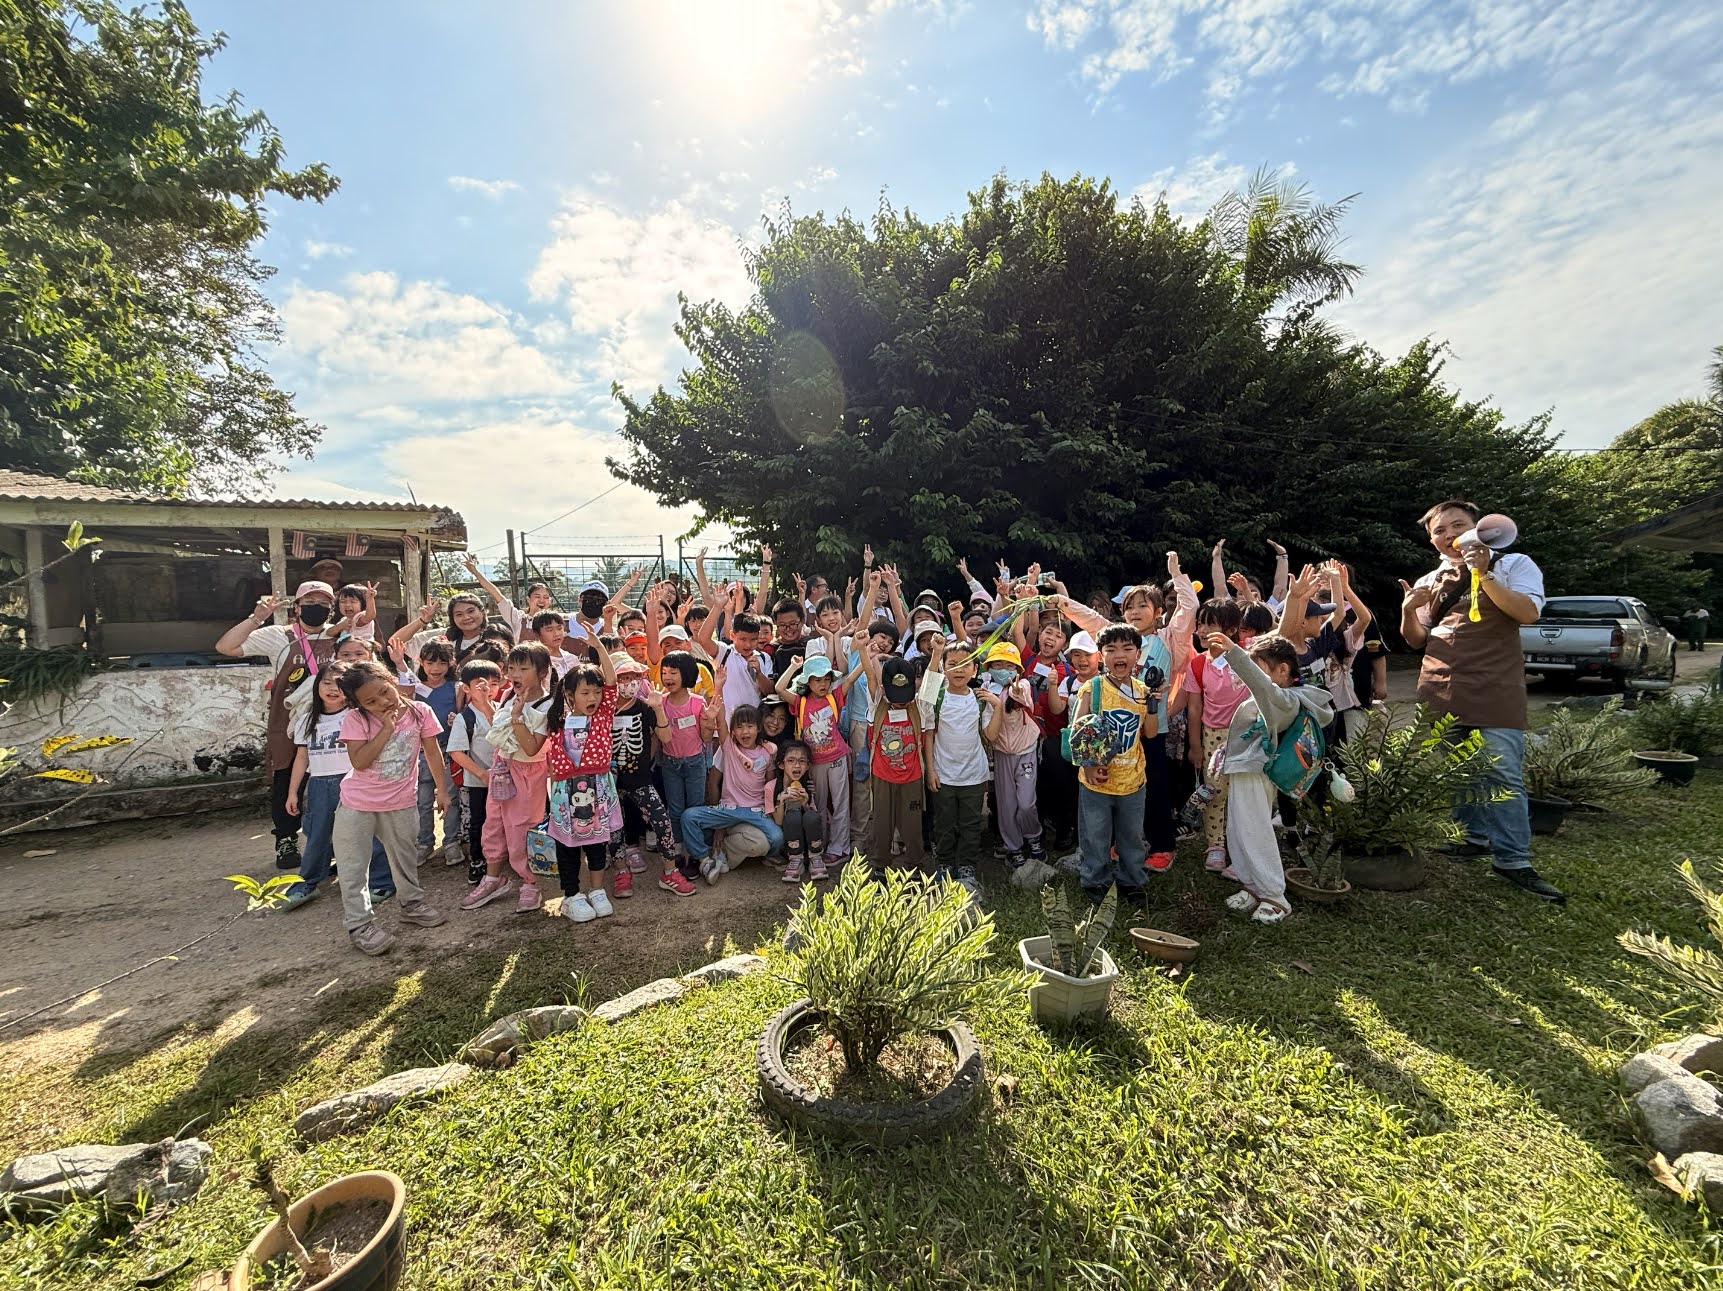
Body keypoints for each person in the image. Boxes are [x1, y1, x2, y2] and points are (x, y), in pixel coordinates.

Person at [1400, 498, 1565, 903]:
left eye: (1458, 525)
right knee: (1458, 771)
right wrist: (1408, 610)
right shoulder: (1431, 578)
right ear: (1432, 540)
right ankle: (1472, 838)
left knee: (1502, 774)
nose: (1449, 535)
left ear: (1478, 527)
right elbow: (1416, 639)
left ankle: (1512, 859)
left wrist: (1484, 573)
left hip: (1496, 683)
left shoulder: (1514, 564)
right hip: (1439, 683)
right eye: (1439, 530)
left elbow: (1527, 613)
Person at [215, 581, 344, 871]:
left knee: (335, 779)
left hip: (332, 719)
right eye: (309, 602)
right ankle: (286, 839)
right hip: (288, 722)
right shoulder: (278, 636)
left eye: (323, 603)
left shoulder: (339, 635)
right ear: (297, 607)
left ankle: (335, 843)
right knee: (286, 778)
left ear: (331, 609)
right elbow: (225, 647)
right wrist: (257, 617)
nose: (316, 607)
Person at [1207, 632, 1334, 923]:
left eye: (1259, 667)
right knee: (1238, 830)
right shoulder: (1271, 698)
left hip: (1257, 771)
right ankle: (1252, 886)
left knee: (1255, 830)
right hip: (1244, 770)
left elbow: (1263, 686)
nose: (1252, 675)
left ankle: (1275, 896)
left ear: (1283, 670)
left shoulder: (1285, 699)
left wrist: (1235, 653)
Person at [332, 660, 452, 955]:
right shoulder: (355, 720)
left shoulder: (420, 711)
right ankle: (359, 924)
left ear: (391, 679)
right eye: (370, 702)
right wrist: (386, 727)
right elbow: (360, 762)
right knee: (353, 866)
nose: (383, 702)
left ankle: (412, 904)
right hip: (357, 805)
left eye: (385, 691)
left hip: (401, 802)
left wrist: (442, 789)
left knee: (405, 858)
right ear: (359, 704)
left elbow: (432, 752)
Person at [460, 643, 555, 912]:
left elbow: (531, 748)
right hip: (502, 767)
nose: (514, 674)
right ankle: (493, 878)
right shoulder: (507, 695)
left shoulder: (549, 705)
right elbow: (498, 729)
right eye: (511, 668)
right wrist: (487, 706)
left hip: (528, 771)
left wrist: (516, 717)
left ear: (542, 672)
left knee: (523, 827)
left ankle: (531, 882)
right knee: (494, 823)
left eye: (523, 668)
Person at [1069, 625, 1153, 906]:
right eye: (1111, 649)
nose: (1120, 655)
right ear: (1101, 655)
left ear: (1137, 654)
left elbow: (1151, 732)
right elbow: (1077, 730)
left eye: (1127, 648)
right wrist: (1088, 766)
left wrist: (1153, 705)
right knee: (1095, 834)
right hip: (1097, 781)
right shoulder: (1092, 688)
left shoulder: (1142, 691)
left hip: (1133, 779)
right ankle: (1095, 879)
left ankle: (1132, 879)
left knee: (1132, 835)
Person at [542, 647, 623, 923]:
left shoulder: (602, 717)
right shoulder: (556, 722)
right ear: (570, 694)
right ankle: (571, 895)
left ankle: (597, 890)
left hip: (598, 790)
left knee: (597, 842)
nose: (593, 698)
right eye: (585, 692)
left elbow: (611, 682)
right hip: (565, 794)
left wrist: (598, 646)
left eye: (596, 692)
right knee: (567, 846)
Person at [918, 636, 1004, 893]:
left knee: (971, 823)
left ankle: (967, 866)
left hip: (973, 774)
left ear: (975, 669)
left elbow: (990, 736)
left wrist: (998, 707)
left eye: (965, 664)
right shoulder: (938, 698)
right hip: (943, 774)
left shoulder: (979, 699)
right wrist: (931, 770)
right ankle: (945, 864)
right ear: (944, 668)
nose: (959, 669)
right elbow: (929, 734)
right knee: (944, 823)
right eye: (952, 664)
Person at [608, 654, 696, 897]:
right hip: (610, 781)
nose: (629, 682)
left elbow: (665, 737)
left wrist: (657, 708)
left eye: (633, 677)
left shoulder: (644, 707)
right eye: (623, 678)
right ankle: (621, 872)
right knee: (614, 828)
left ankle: (669, 872)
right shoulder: (604, 710)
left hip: (640, 779)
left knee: (661, 820)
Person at [775, 642, 866, 871]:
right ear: (808, 682)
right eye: (817, 680)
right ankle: (820, 847)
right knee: (819, 805)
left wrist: (866, 653)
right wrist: (794, 666)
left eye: (826, 679)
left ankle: (840, 848)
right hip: (813, 763)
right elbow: (779, 688)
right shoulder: (801, 702)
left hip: (837, 758)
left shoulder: (835, 697)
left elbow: (851, 678)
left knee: (841, 804)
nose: (823, 684)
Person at [681, 689, 785, 879]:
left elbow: (770, 784)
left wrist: (770, 811)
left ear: (758, 728)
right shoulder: (729, 747)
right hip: (727, 809)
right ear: (733, 732)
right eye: (739, 727)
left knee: (777, 838)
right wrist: (719, 685)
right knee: (689, 816)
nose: (745, 731)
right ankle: (704, 859)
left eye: (750, 726)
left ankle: (725, 852)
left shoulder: (767, 752)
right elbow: (721, 721)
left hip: (756, 811)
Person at [1181, 599, 1252, 874]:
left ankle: (1244, 845)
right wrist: (1195, 746)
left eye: (1210, 624)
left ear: (1231, 630)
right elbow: (1194, 707)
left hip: (1247, 734)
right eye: (1200, 623)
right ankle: (1215, 845)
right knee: (1214, 791)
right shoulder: (1198, 664)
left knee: (1245, 792)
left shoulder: (1247, 657)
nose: (1202, 630)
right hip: (1213, 735)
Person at [858, 649, 928, 875]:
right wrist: (864, 651)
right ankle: (880, 866)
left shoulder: (919, 707)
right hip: (882, 776)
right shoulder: (876, 705)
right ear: (884, 690)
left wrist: (937, 653)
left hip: (912, 778)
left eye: (905, 696)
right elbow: (870, 676)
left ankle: (914, 867)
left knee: (912, 825)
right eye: (895, 697)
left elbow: (932, 683)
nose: (900, 703)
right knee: (881, 823)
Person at [981, 641, 1046, 869]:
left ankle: (1033, 836)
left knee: (1026, 803)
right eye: (997, 664)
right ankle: (1013, 847)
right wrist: (994, 704)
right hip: (1002, 754)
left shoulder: (1023, 684)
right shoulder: (986, 692)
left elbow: (1022, 695)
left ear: (1018, 669)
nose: (1003, 669)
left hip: (1026, 751)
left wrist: (1016, 692)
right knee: (1007, 804)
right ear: (989, 668)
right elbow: (989, 732)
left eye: (1009, 665)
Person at [655, 651, 718, 882]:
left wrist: (710, 721)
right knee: (674, 809)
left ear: (688, 674)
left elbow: (705, 737)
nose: (668, 677)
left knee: (695, 808)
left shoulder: (697, 702)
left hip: (694, 763)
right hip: (669, 763)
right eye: (664, 672)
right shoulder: (660, 702)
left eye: (673, 672)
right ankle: (678, 852)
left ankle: (695, 854)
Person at [445, 659, 504, 886]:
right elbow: (456, 752)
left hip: (505, 779)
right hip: (479, 782)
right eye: (481, 684)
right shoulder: (465, 717)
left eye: (493, 683)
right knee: (479, 822)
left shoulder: (503, 710)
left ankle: (503, 857)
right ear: (466, 688)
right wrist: (481, 774)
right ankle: (478, 860)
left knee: (504, 819)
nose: (488, 689)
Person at [409, 639, 463, 865]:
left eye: (442, 663)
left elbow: (461, 714)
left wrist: (456, 719)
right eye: (430, 663)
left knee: (450, 797)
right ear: (421, 662)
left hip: (448, 749)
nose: (436, 668)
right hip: (421, 751)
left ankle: (451, 841)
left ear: (451, 663)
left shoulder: (456, 688)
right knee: (422, 800)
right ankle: (424, 842)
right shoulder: (414, 688)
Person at [463, 553, 555, 643]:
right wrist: (475, 572)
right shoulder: (518, 618)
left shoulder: (557, 621)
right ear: (528, 599)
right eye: (537, 596)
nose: (542, 600)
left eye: (546, 597)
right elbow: (496, 593)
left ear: (550, 600)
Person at [769, 739, 826, 881]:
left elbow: (812, 819)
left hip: (810, 839)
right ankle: (795, 859)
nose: (797, 765)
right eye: (791, 761)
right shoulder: (771, 787)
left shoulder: (808, 785)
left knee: (811, 816)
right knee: (793, 815)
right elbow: (778, 822)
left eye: (802, 761)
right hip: (788, 840)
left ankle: (815, 856)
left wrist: (805, 803)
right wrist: (781, 799)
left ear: (807, 766)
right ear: (781, 764)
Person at [392, 592, 490, 667]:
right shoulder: (442, 637)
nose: (466, 617)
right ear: (452, 618)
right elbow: (395, 641)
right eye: (459, 614)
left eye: (471, 611)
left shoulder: (493, 639)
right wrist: (422, 621)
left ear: (482, 611)